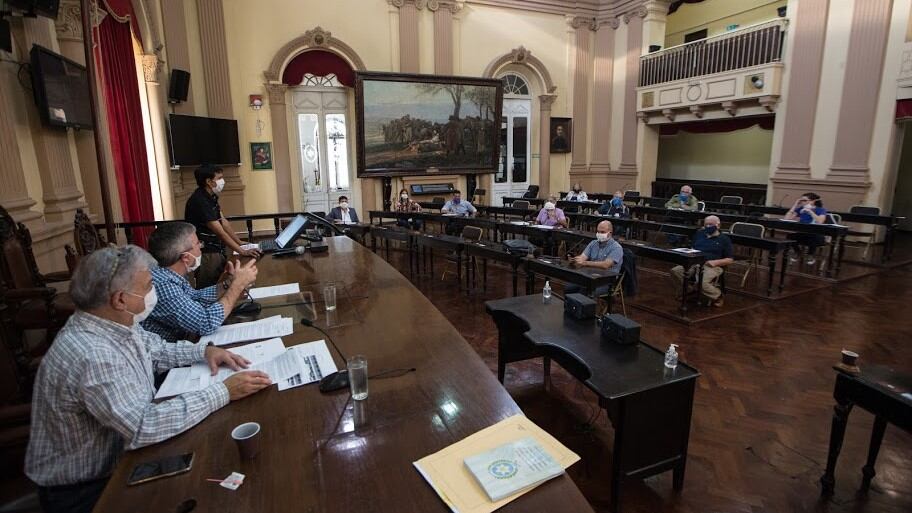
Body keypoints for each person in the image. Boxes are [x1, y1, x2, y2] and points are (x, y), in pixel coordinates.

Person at [25, 246, 271, 513]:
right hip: (87, 489)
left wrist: (204, 350)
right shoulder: (91, 354)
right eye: (148, 286)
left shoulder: (112, 322)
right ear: (120, 299)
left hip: (121, 458)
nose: (153, 292)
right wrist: (224, 391)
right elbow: (142, 427)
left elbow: (157, 350)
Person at [143, 222, 259, 343]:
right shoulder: (163, 284)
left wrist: (228, 284)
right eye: (198, 244)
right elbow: (206, 323)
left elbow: (195, 297)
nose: (201, 247)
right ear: (186, 257)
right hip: (173, 355)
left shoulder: (169, 274)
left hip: (186, 340)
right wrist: (237, 286)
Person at [185, 164, 260, 289]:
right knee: (208, 288)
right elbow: (220, 232)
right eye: (219, 178)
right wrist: (242, 251)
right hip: (208, 253)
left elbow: (223, 221)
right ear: (209, 181)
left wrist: (239, 242)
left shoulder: (211, 197)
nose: (222, 181)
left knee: (220, 283)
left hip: (218, 250)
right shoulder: (200, 201)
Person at [670, 215, 733, 307]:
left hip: (712, 265)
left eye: (710, 225)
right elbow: (692, 248)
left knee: (701, 282)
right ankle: (690, 291)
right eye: (706, 225)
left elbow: (730, 259)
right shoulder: (699, 234)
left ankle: (718, 296)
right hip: (694, 261)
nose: (708, 227)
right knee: (676, 271)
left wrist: (714, 262)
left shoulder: (724, 239)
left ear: (718, 225)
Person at [567, 220, 624, 296]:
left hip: (605, 281)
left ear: (610, 233)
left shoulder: (616, 247)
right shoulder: (593, 243)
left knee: (583, 292)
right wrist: (575, 260)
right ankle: (569, 307)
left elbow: (605, 265)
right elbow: (582, 258)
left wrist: (585, 263)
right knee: (569, 287)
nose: (599, 234)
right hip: (590, 276)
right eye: (598, 232)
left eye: (602, 232)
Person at [783, 192, 828, 265]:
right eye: (801, 200)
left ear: (812, 201)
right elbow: (786, 219)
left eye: (804, 200)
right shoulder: (801, 209)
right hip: (803, 233)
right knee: (790, 236)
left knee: (813, 236)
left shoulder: (821, 209)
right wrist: (795, 205)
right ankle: (798, 252)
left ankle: (810, 255)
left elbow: (820, 221)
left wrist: (810, 212)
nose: (802, 202)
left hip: (816, 236)